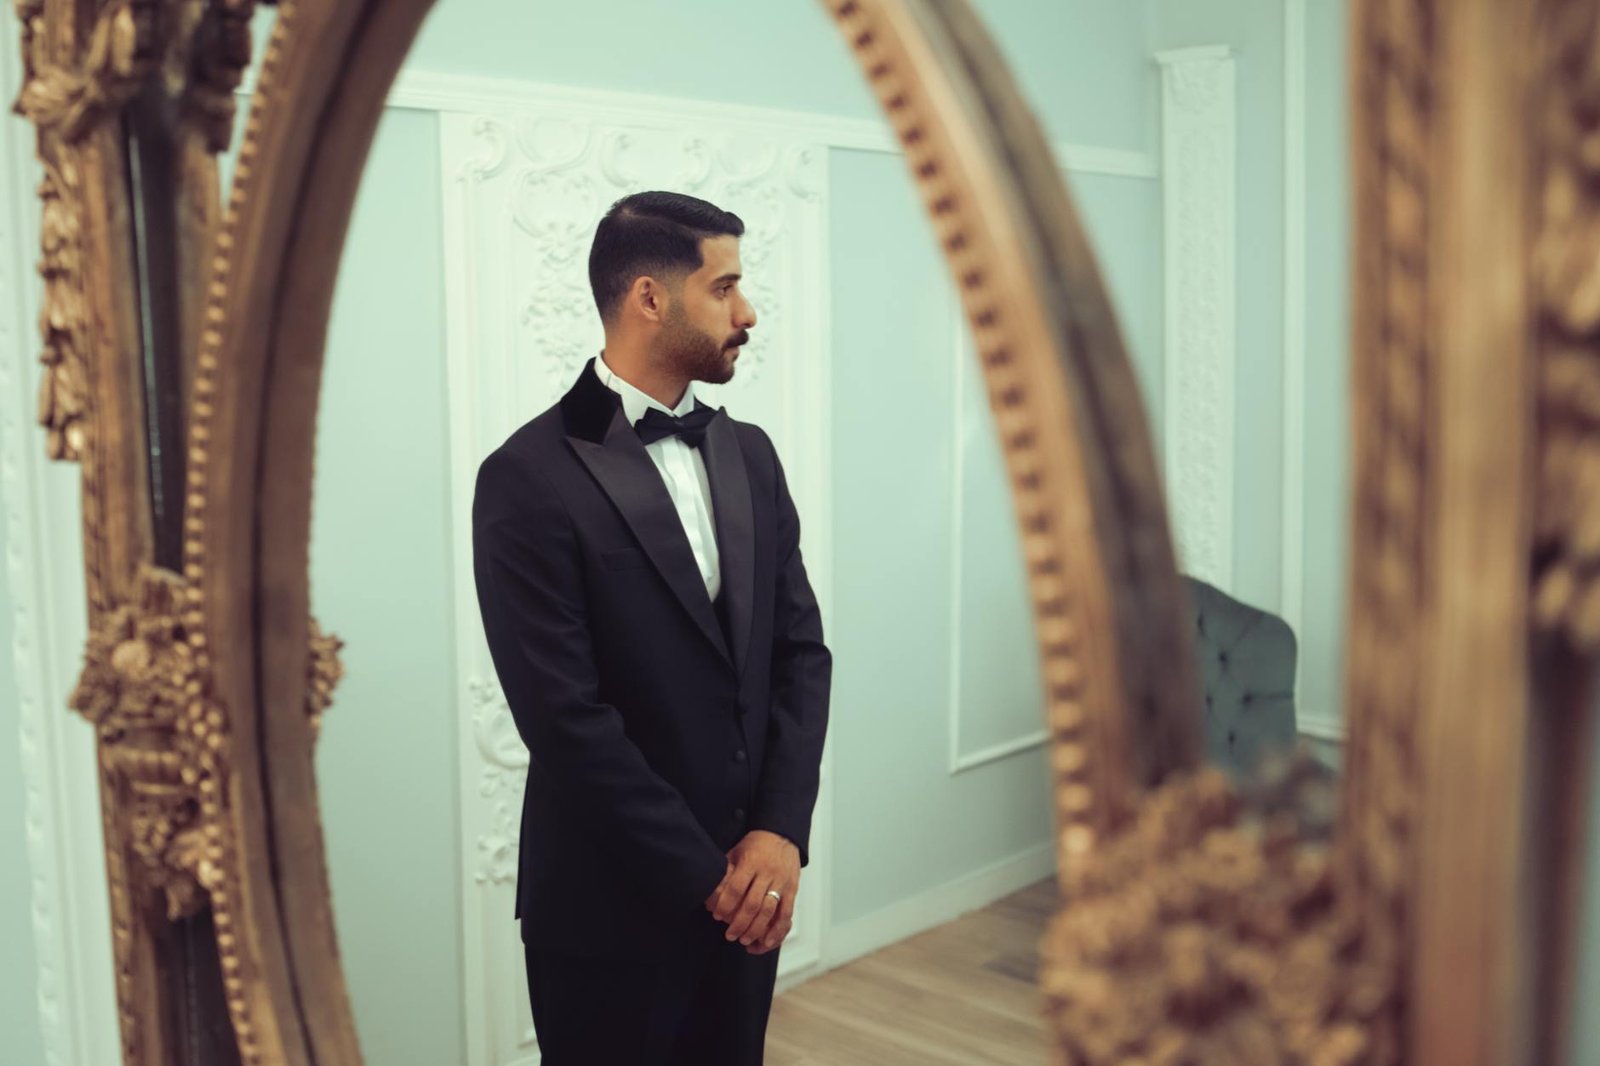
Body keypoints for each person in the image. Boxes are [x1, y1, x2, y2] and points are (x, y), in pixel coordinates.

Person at [471, 190, 832, 1065]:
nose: (747, 313)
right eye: (725, 287)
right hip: (608, 913)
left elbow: (799, 654)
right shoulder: (525, 475)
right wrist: (711, 879)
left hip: (753, 893)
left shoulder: (751, 453)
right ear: (649, 298)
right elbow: (565, 719)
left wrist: (779, 833)